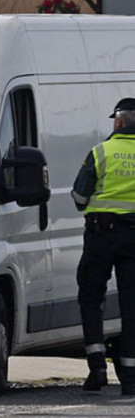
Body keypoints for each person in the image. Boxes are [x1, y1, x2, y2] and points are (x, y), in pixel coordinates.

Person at [71, 97, 135, 395]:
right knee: (132, 305)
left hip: (100, 235)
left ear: (119, 122)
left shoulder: (101, 152)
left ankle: (97, 367)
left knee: (91, 297)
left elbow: (80, 198)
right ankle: (132, 377)